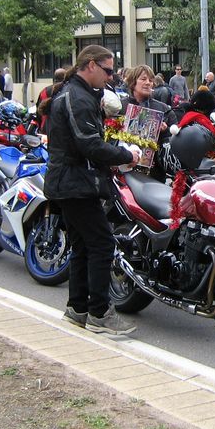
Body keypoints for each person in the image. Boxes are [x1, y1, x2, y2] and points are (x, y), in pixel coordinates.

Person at [44, 45, 139, 334]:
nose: (110, 77)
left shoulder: (79, 94)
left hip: (73, 181)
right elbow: (89, 144)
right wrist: (126, 155)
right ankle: (99, 312)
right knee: (102, 243)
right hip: (76, 182)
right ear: (91, 65)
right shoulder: (77, 96)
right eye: (108, 71)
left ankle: (77, 309)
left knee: (84, 245)